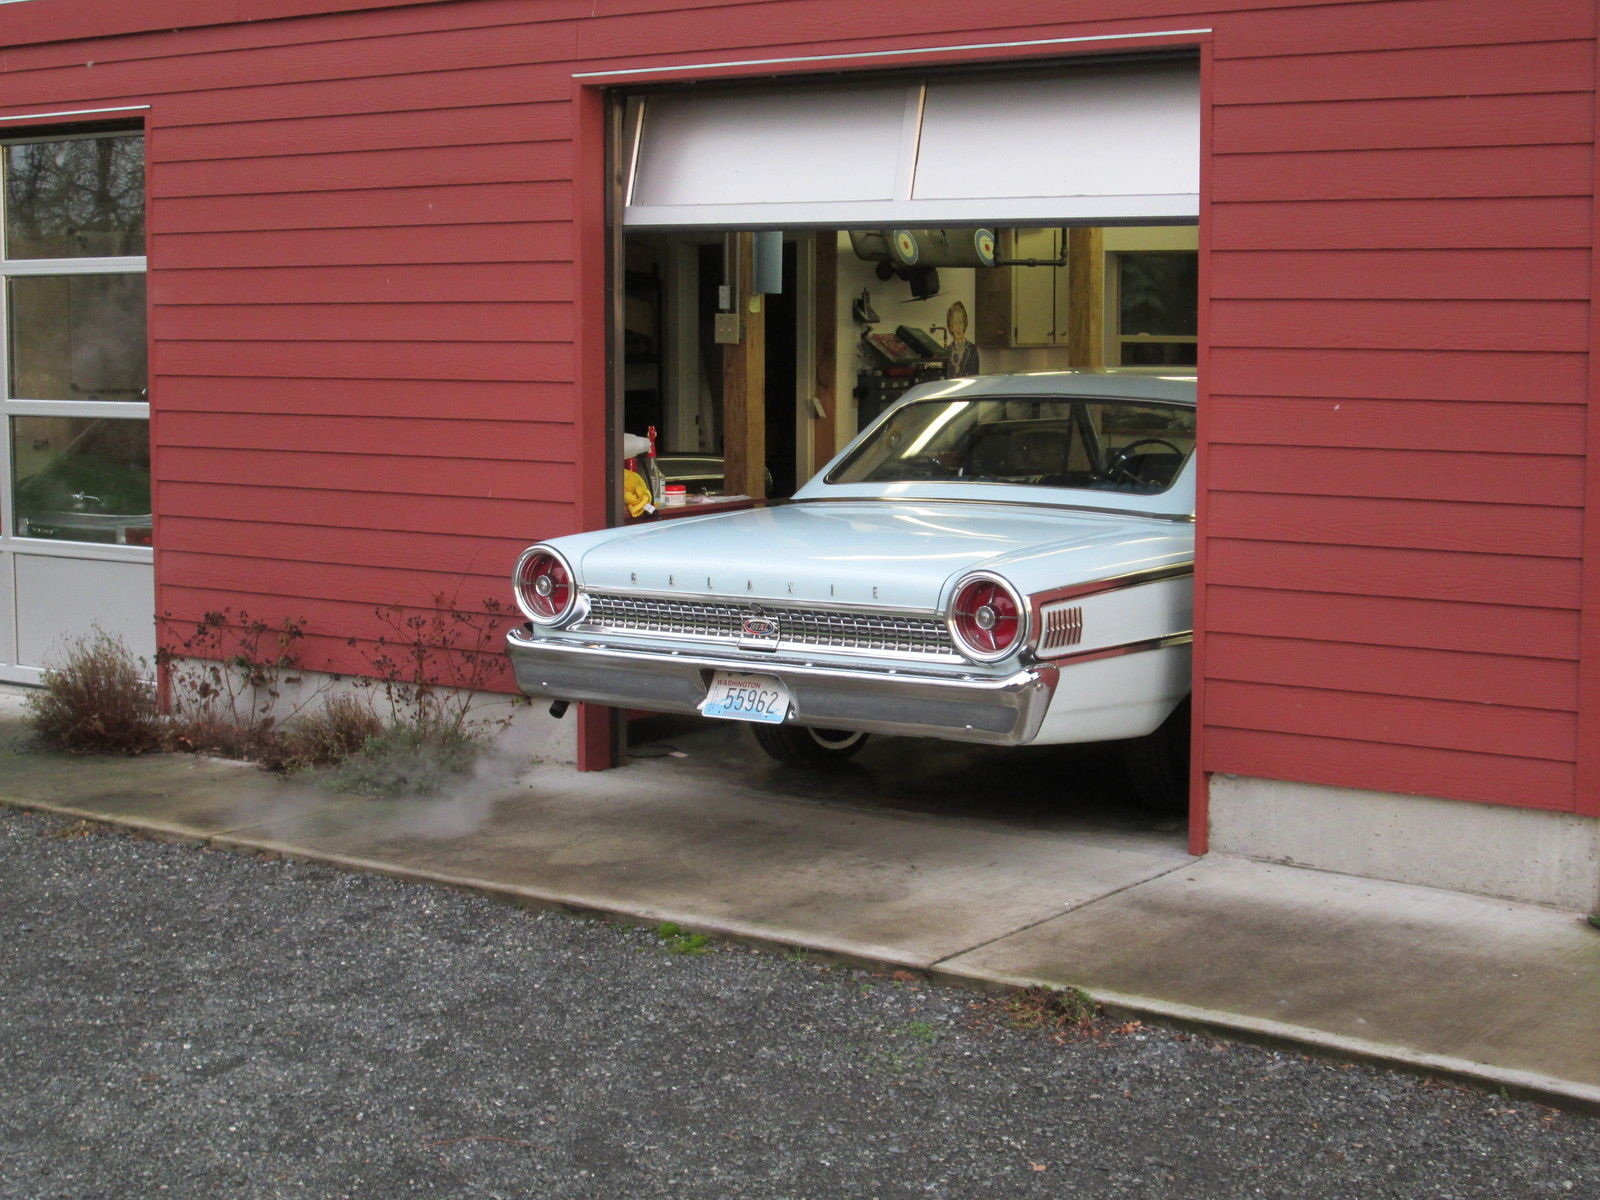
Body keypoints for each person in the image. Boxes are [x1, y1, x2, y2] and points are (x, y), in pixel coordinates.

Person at [944, 300, 980, 379]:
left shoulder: (972, 349)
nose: (958, 327)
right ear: (951, 327)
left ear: (964, 324)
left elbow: (976, 376)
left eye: (960, 322)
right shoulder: (947, 351)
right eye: (955, 323)